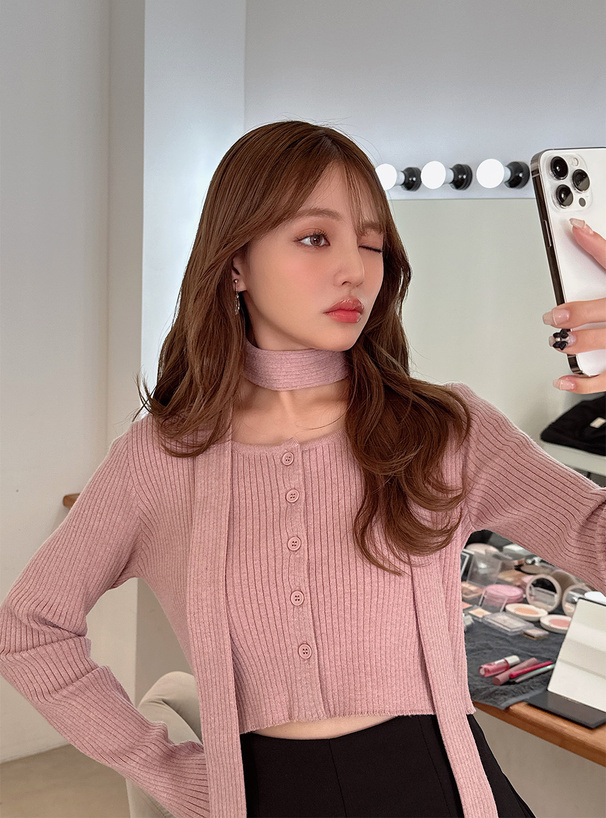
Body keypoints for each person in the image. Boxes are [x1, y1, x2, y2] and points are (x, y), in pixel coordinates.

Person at [0, 120, 604, 818]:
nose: (355, 269)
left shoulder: (444, 430)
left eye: (371, 243)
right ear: (235, 263)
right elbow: (30, 630)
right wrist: (163, 768)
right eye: (316, 238)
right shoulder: (160, 459)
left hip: (445, 792)